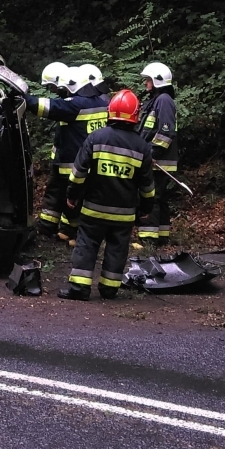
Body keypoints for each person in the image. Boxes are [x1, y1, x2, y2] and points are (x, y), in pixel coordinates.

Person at [59, 88, 157, 300]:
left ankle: (79, 288)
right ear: (135, 116)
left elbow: (78, 173)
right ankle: (109, 289)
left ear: (110, 111)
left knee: (86, 245)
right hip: (124, 215)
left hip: (93, 209)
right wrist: (146, 210)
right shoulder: (142, 147)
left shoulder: (96, 138)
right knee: (117, 250)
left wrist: (72, 195)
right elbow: (147, 186)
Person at [31, 63, 109, 242]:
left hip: (74, 163)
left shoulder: (76, 105)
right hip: (88, 161)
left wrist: (22, 99)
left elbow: (44, 107)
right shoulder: (101, 102)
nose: (59, 91)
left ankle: (67, 231)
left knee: (70, 197)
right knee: (73, 198)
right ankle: (67, 230)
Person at [135, 61, 178, 250]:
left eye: (148, 80)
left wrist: (152, 153)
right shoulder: (157, 100)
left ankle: (149, 239)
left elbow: (165, 132)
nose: (146, 83)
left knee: (151, 196)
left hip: (159, 160)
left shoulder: (164, 101)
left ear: (157, 81)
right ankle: (162, 235)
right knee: (159, 197)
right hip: (158, 159)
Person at [34, 61, 73, 237]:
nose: (53, 90)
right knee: (56, 192)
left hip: (69, 161)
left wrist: (25, 99)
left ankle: (59, 228)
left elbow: (45, 108)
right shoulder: (69, 101)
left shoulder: (71, 104)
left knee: (63, 193)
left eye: (53, 86)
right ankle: (49, 227)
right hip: (62, 159)